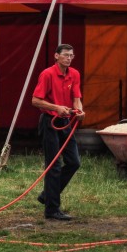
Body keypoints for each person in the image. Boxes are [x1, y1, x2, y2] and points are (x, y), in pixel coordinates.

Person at [31, 43, 84, 221]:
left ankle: (47, 195)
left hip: (66, 122)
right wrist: (56, 107)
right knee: (53, 165)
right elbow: (35, 100)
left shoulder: (75, 74)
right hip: (49, 122)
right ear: (56, 56)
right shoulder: (47, 74)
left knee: (74, 162)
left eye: (71, 55)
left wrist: (79, 111)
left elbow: (76, 99)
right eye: (66, 55)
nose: (69, 58)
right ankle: (52, 210)